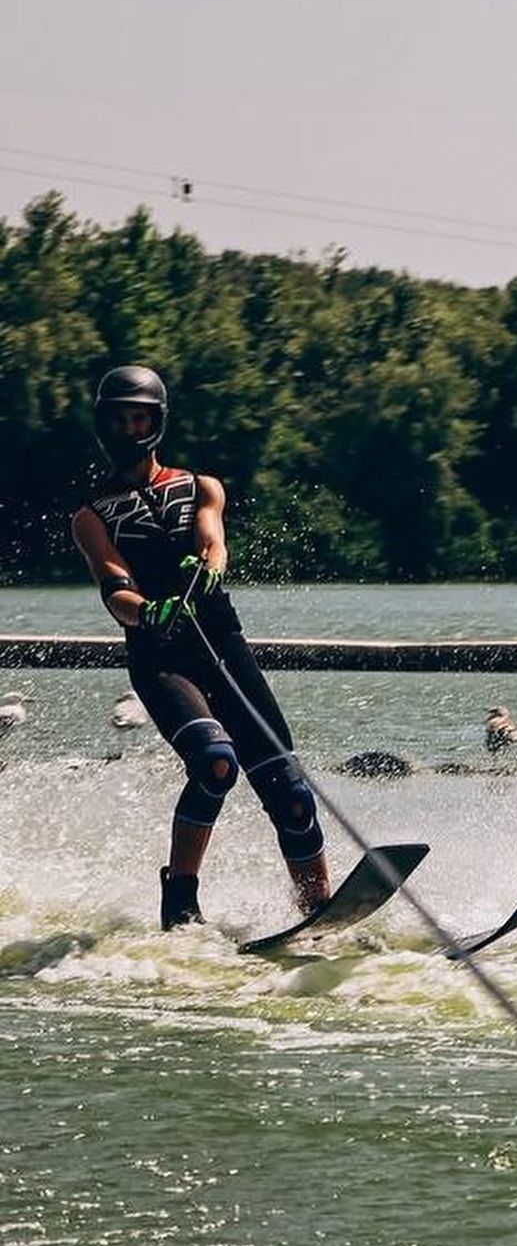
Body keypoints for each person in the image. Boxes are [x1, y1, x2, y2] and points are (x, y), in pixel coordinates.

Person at [71, 365, 331, 929]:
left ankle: (320, 909)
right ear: (104, 426)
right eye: (118, 418)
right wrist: (147, 612)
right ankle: (180, 898)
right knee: (216, 764)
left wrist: (205, 571)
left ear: (156, 422)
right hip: (161, 658)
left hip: (221, 646)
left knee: (290, 793)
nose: (127, 428)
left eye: (137, 417)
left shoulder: (201, 487)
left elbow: (214, 545)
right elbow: (113, 586)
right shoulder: (90, 518)